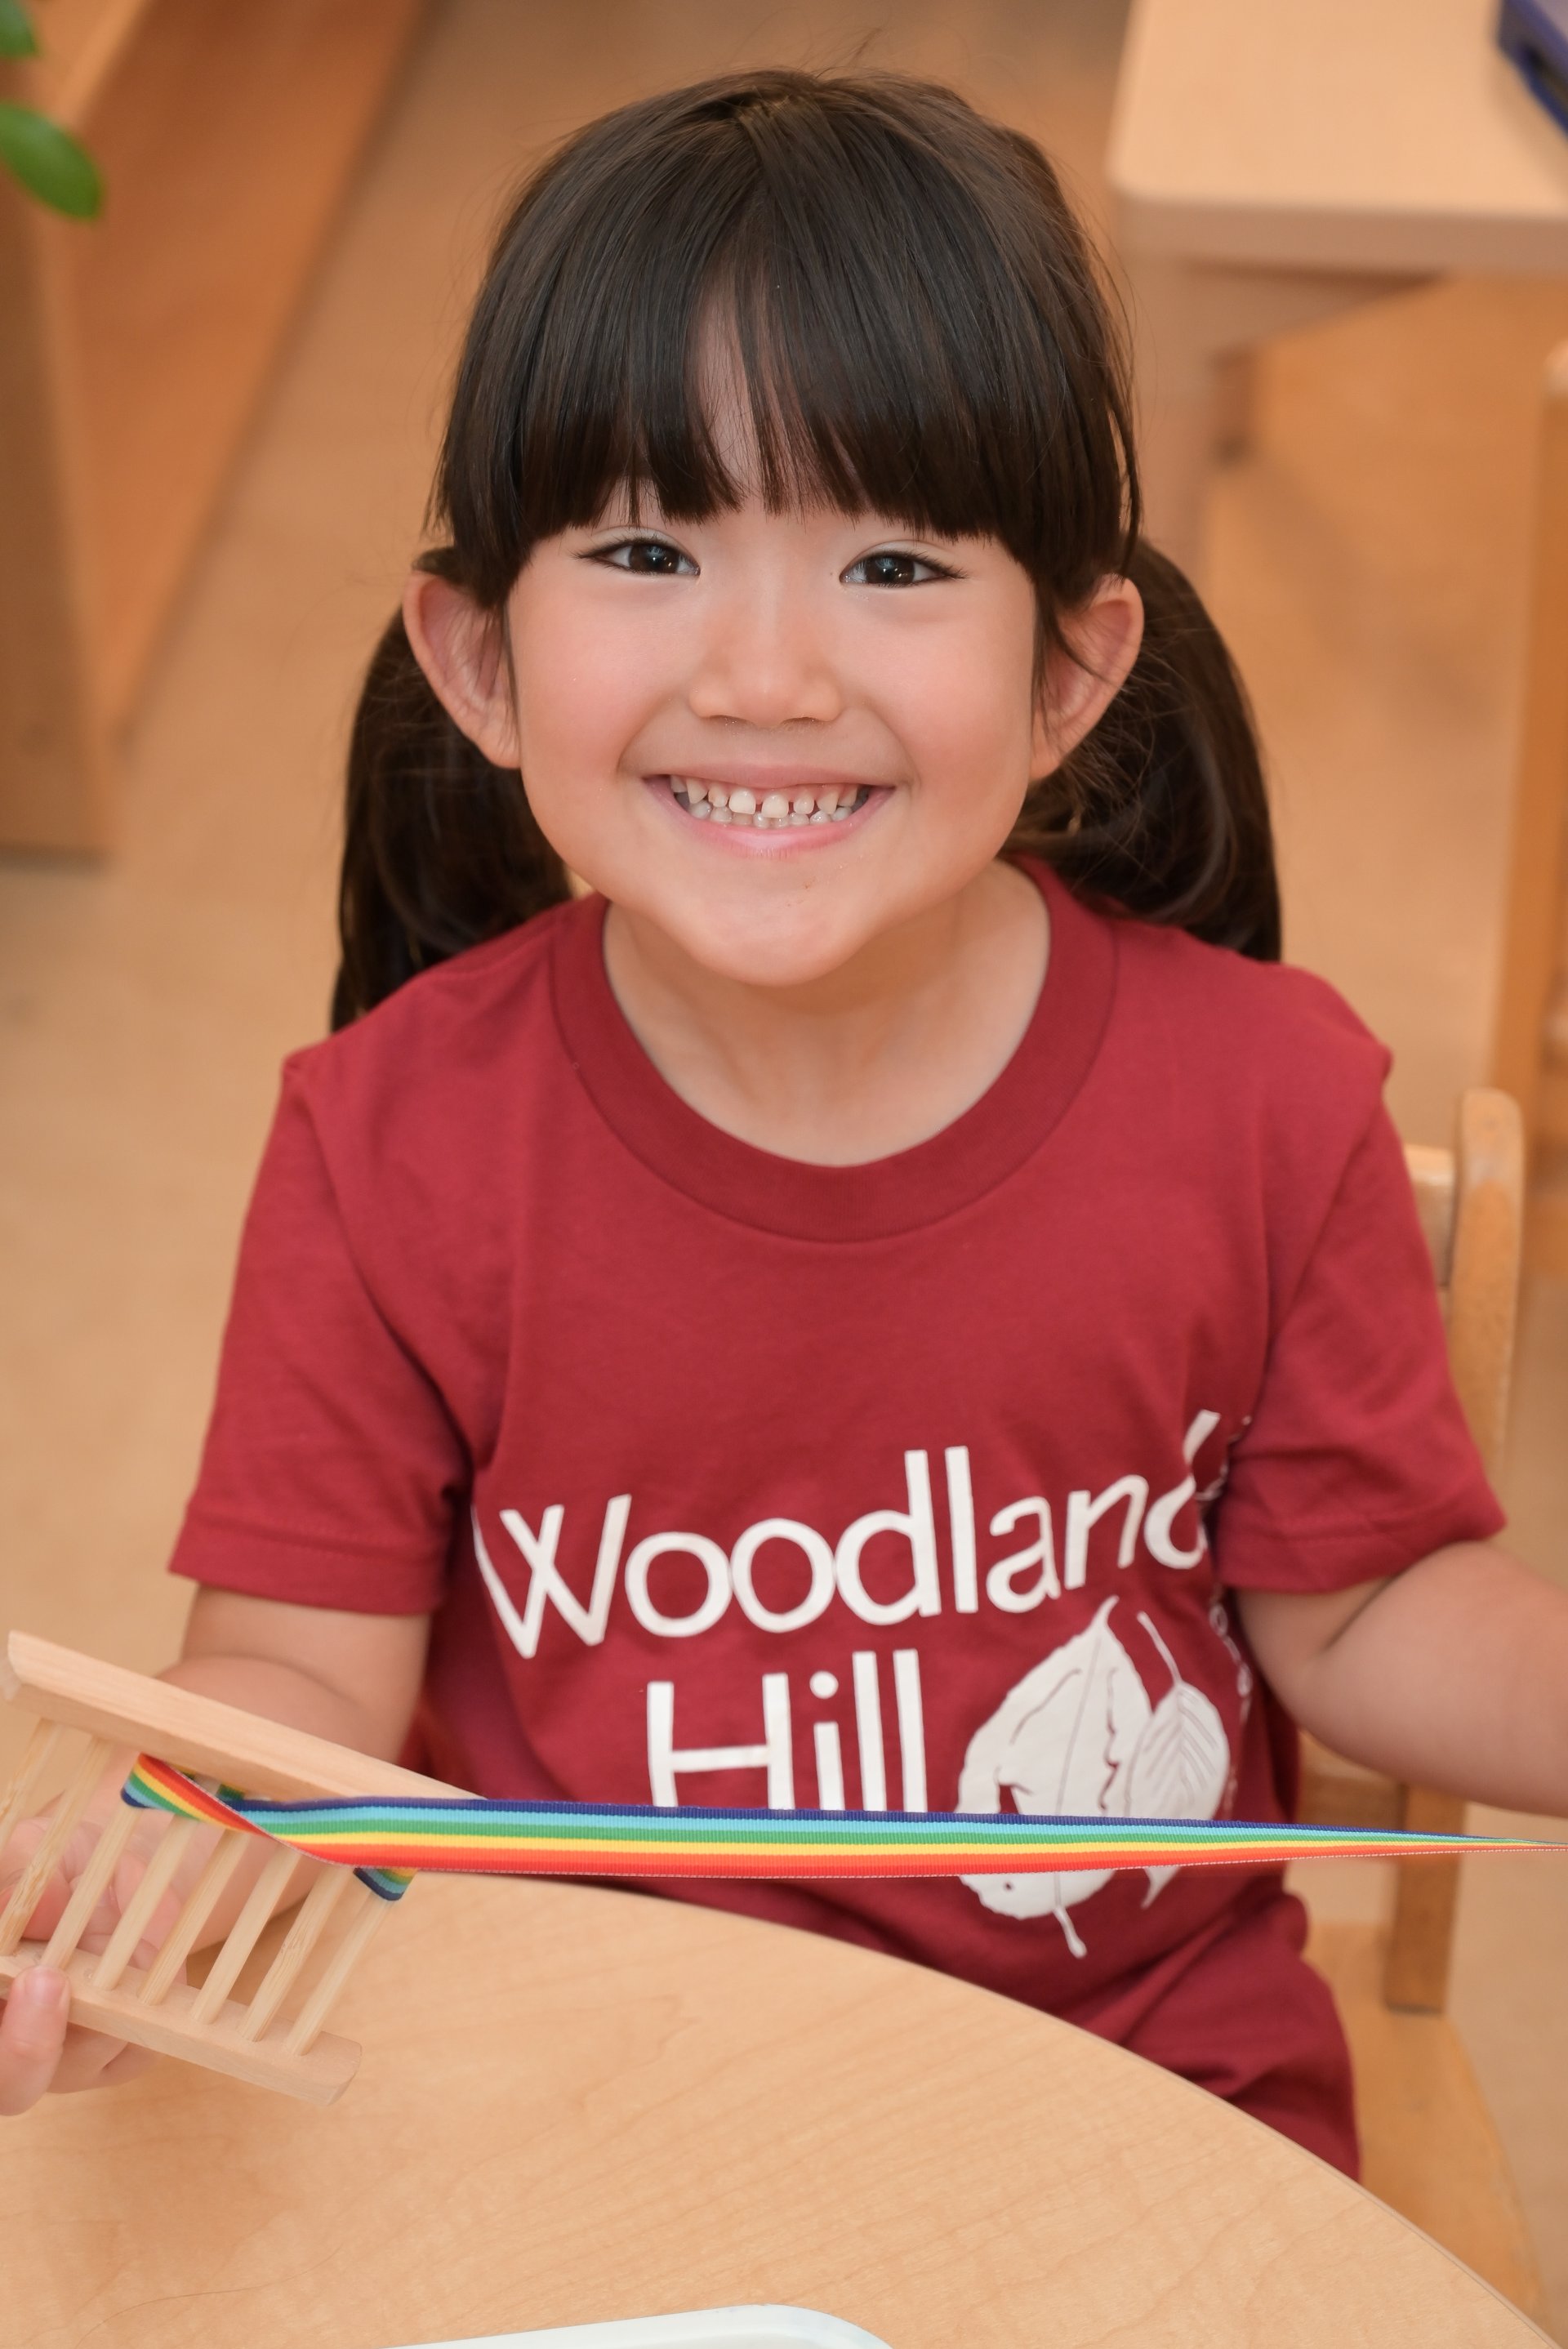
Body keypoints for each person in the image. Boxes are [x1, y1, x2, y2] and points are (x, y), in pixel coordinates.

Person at [3, 69, 1566, 2166]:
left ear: (1072, 673)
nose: (761, 673)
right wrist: (160, 1864)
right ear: (475, 659)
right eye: (649, 547)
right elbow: (294, 1688)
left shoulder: (1273, 1098)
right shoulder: (384, 1146)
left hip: (1138, 2108)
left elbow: (1364, 1615)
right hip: (567, 2115)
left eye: (896, 563)